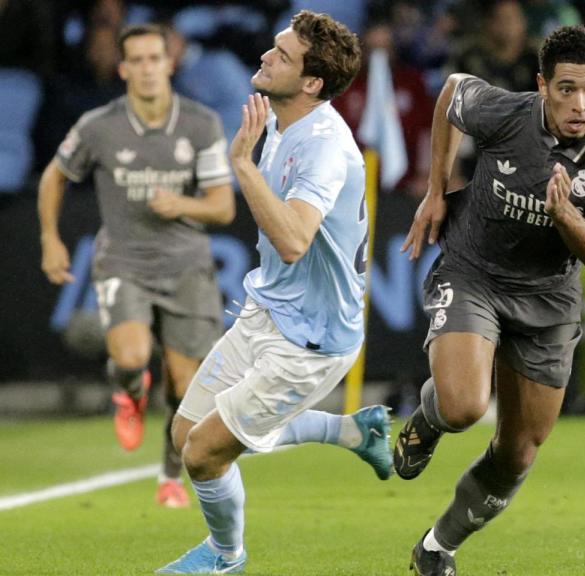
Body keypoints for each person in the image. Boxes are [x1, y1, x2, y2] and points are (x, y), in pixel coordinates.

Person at [397, 25, 585, 574]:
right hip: (473, 273)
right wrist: (437, 191)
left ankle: (438, 546)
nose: (579, 104)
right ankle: (431, 417)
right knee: (464, 405)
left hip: (549, 300)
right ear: (542, 85)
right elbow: (452, 93)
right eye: (565, 89)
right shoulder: (507, 114)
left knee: (517, 452)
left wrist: (566, 217)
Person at [155, 11, 392, 574]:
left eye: (282, 55)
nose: (265, 57)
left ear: (312, 83)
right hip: (267, 312)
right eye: (274, 48)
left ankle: (224, 556)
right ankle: (350, 430)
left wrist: (242, 162)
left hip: (310, 343)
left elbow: (291, 240)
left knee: (204, 454)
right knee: (185, 432)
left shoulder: (325, 145)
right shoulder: (283, 120)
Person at [38, 23, 235, 509]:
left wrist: (182, 206)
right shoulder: (98, 126)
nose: (148, 69)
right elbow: (54, 176)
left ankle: (169, 476)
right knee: (130, 356)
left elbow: (223, 207)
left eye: (155, 59)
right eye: (138, 61)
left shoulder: (200, 123)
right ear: (124, 69)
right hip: (123, 260)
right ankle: (128, 390)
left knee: (186, 387)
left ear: (169, 63)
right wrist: (49, 239)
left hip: (187, 266)